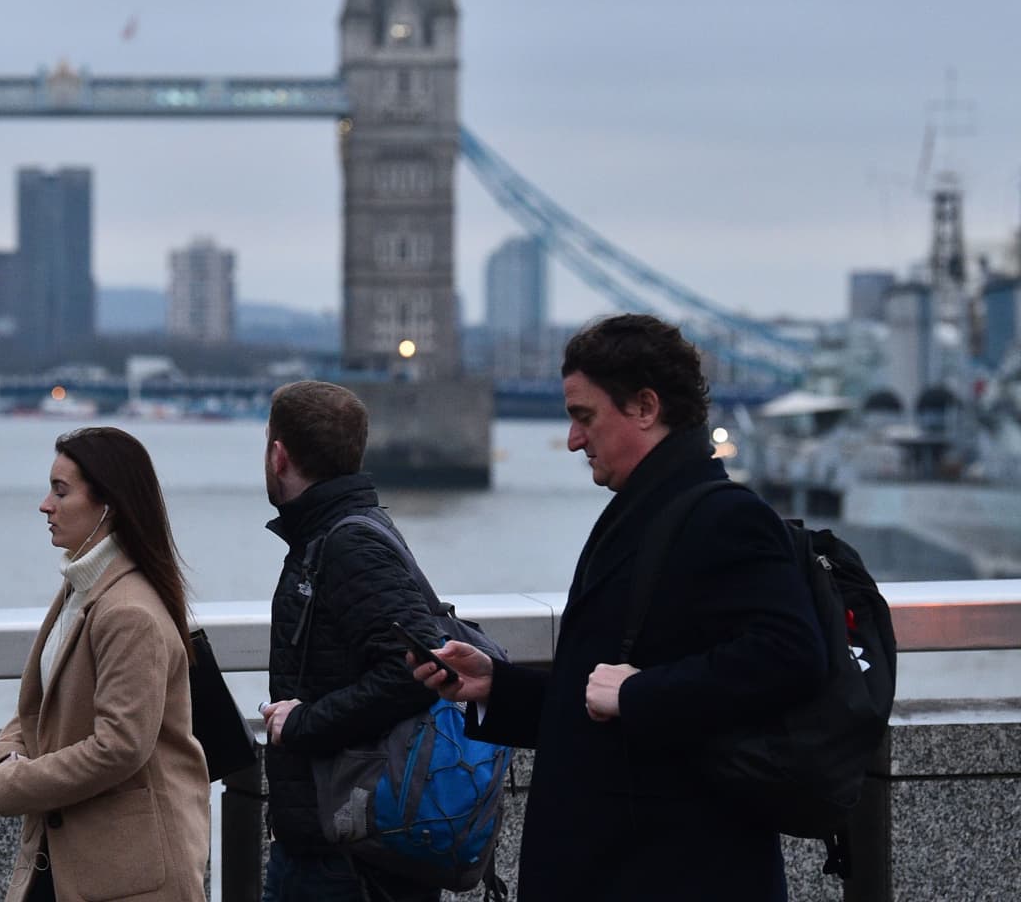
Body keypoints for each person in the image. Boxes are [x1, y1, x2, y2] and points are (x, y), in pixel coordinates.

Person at [412, 314, 827, 901]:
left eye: (584, 417)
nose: (574, 439)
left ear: (645, 408)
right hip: (625, 862)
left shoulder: (727, 517)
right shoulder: (645, 510)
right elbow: (598, 697)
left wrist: (638, 694)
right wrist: (496, 687)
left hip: (675, 869)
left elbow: (791, 658)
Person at [0, 427, 210, 902]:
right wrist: (5, 754)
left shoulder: (127, 610)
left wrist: (15, 782)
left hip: (126, 874)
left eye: (60, 491)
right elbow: (39, 702)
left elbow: (121, 746)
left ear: (107, 504)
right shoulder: (81, 588)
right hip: (73, 860)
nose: (45, 505)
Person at [257, 380, 447, 902]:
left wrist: (302, 723)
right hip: (336, 842)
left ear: (278, 455)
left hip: (346, 861)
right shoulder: (336, 533)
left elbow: (413, 670)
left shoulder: (348, 544)